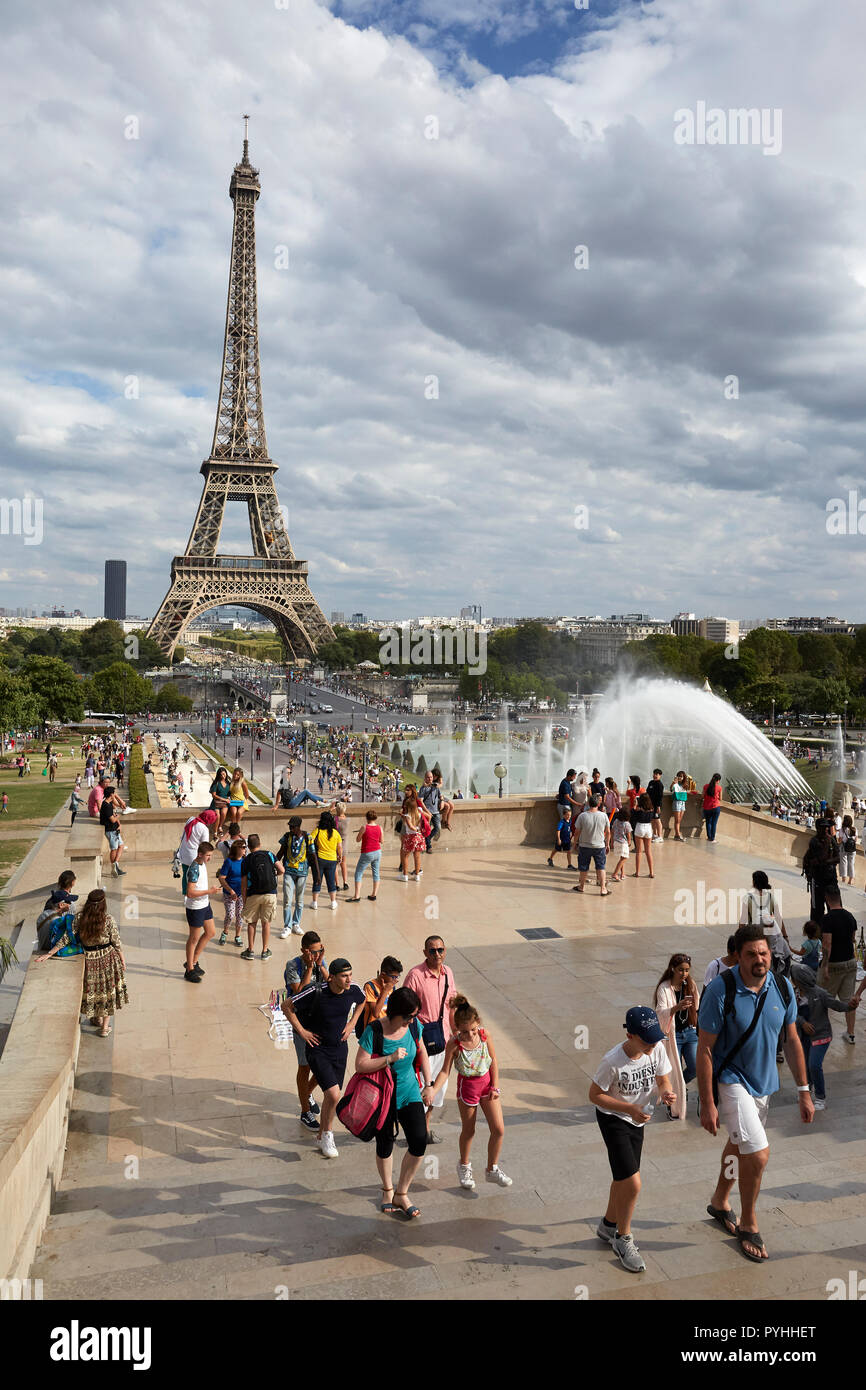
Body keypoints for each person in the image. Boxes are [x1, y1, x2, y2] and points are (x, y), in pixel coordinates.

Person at [697, 924, 811, 1263]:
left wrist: (804, 1090)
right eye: (751, 954)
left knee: (738, 1144)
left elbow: (791, 1039)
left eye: (764, 953)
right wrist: (706, 1103)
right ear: (738, 957)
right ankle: (748, 1221)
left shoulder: (782, 987)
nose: (759, 959)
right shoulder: (721, 991)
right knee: (758, 1153)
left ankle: (720, 1201)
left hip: (764, 1084)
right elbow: (704, 1049)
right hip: (731, 1081)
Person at [589, 1006, 675, 1273]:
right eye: (646, 1039)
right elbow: (594, 1095)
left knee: (623, 1179)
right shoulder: (612, 1061)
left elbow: (663, 1079)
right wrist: (628, 1109)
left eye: (655, 1038)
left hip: (639, 1118)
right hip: (614, 1118)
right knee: (633, 1183)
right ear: (630, 1035)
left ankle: (608, 1224)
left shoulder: (657, 1048)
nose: (653, 1044)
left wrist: (667, 1091)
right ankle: (622, 1238)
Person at [354, 986, 433, 1217]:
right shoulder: (375, 1030)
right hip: (383, 1096)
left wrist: (428, 1085)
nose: (412, 1020)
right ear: (397, 1013)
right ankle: (388, 1189)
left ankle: (402, 1192)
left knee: (419, 1142)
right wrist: (389, 1058)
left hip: (409, 1092)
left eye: (414, 1016)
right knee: (385, 1144)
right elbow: (360, 1065)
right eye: (409, 1016)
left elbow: (422, 1052)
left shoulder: (414, 1027)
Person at [282, 957, 366, 1158]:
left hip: (339, 1048)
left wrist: (352, 1023)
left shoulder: (353, 989)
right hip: (318, 1049)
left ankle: (321, 1135)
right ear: (333, 978)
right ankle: (328, 1135)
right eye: (344, 976)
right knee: (334, 1094)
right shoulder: (316, 992)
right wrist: (302, 1032)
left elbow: (362, 1001)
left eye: (350, 975)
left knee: (332, 1095)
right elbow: (286, 1006)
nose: (349, 980)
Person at [430, 993, 511, 1190]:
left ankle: (492, 1169)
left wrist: (495, 1086)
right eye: (465, 1032)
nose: (470, 1035)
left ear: (478, 1024)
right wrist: (432, 1089)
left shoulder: (484, 1035)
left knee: (499, 1129)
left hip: (487, 1086)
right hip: (467, 1089)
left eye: (473, 1030)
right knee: (469, 1130)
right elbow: (444, 1071)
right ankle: (464, 1166)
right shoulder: (454, 1044)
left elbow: (494, 1062)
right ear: (457, 1029)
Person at [35, 888, 128, 1036]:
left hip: (90, 960)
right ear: (103, 904)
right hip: (108, 958)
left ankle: (96, 1019)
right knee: (107, 992)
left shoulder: (79, 918)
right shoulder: (108, 919)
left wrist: (49, 953)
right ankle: (104, 1027)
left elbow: (65, 938)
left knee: (93, 991)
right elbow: (116, 942)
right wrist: (122, 960)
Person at [405, 936, 458, 1144]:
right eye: (432, 950)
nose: (437, 954)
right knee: (421, 1089)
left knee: (438, 1089)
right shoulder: (415, 975)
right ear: (425, 952)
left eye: (440, 950)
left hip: (443, 1040)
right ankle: (415, 1131)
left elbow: (451, 1005)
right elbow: (406, 1008)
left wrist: (456, 1033)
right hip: (422, 1044)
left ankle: (425, 1127)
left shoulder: (448, 973)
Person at [791, 962, 859, 1110]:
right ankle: (807, 1088)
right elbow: (791, 1012)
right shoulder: (794, 993)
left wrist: (850, 1006)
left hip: (821, 1035)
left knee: (814, 1065)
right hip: (803, 1036)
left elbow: (836, 1004)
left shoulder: (819, 993)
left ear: (798, 980)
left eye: (793, 979)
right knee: (805, 1064)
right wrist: (802, 1023)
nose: (792, 981)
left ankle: (821, 1098)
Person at [284, 930, 329, 1130]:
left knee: (324, 1065)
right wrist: (310, 969)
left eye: (320, 951)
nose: (318, 955)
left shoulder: (321, 962)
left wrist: (320, 966)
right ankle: (305, 1111)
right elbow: (299, 993)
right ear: (304, 950)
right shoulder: (293, 965)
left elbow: (330, 984)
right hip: (302, 1023)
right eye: (314, 951)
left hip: (320, 1022)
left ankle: (307, 1092)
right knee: (305, 1067)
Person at [653, 954, 698, 1121]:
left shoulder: (690, 985)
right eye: (681, 970)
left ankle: (680, 1086)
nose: (684, 974)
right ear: (672, 969)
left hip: (690, 1032)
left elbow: (697, 1005)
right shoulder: (664, 988)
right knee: (673, 1072)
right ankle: (672, 1105)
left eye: (687, 970)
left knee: (695, 1067)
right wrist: (676, 1008)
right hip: (673, 1036)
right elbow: (660, 1013)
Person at [818, 889, 858, 1045]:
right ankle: (851, 1034)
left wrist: (825, 965)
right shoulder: (850, 916)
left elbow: (827, 943)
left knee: (821, 997)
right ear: (840, 899)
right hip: (850, 962)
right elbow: (853, 939)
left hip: (834, 964)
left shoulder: (827, 919)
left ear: (827, 900)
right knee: (849, 1000)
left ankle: (821, 1032)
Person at [183, 841, 221, 982]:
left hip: (205, 904)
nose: (210, 858)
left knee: (211, 932)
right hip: (195, 908)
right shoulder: (194, 869)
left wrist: (209, 890)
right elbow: (190, 892)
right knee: (193, 939)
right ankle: (189, 970)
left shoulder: (202, 864)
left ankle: (193, 961)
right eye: (208, 855)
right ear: (200, 854)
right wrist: (209, 891)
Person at [739, 870, 791, 969]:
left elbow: (742, 921)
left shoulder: (747, 898)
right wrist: (785, 935)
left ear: (754, 882)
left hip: (755, 935)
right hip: (770, 935)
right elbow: (779, 918)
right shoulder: (771, 897)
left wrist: (739, 939)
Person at [276, 816, 317, 936]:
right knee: (287, 900)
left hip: (302, 873)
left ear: (298, 827)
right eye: (289, 826)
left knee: (299, 901)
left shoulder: (307, 837)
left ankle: (296, 923)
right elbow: (281, 852)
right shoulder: (287, 836)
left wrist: (317, 875)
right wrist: (274, 865)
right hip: (288, 871)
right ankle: (287, 926)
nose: (290, 828)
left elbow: (313, 856)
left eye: (292, 826)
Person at [571, 793, 611, 895]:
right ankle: (603, 889)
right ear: (598, 804)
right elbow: (608, 832)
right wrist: (607, 844)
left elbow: (577, 832)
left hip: (585, 846)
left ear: (588, 803)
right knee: (601, 867)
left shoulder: (582, 816)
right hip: (599, 846)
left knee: (584, 868)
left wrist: (574, 844)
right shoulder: (603, 815)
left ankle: (581, 886)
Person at [803, 818, 840, 922]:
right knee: (817, 910)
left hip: (831, 880)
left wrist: (827, 862)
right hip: (817, 880)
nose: (825, 829)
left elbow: (838, 858)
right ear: (818, 828)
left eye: (826, 827)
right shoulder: (814, 842)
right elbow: (816, 858)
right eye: (823, 827)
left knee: (834, 908)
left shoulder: (831, 840)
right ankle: (817, 933)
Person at [356, 956, 404, 1033]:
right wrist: (385, 991)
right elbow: (376, 1013)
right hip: (373, 1031)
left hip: (386, 1028)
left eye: (397, 977)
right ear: (382, 974)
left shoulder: (391, 985)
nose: (396, 980)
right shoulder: (370, 987)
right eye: (393, 977)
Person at [309, 811, 341, 910]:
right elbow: (339, 847)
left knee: (317, 880)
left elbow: (309, 840)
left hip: (319, 859)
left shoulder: (318, 831)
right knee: (331, 881)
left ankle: (314, 902)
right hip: (332, 859)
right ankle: (333, 902)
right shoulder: (335, 833)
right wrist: (340, 856)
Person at [216, 840, 245, 947]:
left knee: (240, 915)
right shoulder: (229, 862)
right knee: (230, 915)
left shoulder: (245, 861)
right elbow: (221, 878)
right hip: (229, 894)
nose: (245, 849)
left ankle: (237, 936)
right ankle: (225, 932)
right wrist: (231, 891)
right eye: (243, 847)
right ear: (237, 849)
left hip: (242, 894)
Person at [351, 809, 383, 901]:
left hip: (367, 852)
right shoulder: (379, 828)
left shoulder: (364, 827)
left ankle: (357, 896)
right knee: (376, 873)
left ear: (367, 818)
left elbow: (358, 839)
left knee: (359, 872)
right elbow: (382, 841)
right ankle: (374, 894)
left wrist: (362, 834)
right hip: (377, 852)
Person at [399, 787, 425, 882]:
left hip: (410, 837)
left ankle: (405, 875)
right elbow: (427, 818)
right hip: (419, 837)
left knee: (406, 856)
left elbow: (410, 826)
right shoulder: (419, 813)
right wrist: (419, 829)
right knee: (417, 856)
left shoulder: (407, 816)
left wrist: (415, 829)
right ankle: (417, 875)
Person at [99, 786, 126, 877]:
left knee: (121, 846)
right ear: (111, 794)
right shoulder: (106, 805)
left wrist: (119, 824)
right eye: (114, 793)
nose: (115, 794)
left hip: (115, 829)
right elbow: (113, 819)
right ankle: (113, 867)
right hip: (110, 831)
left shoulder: (109, 803)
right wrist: (120, 814)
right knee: (114, 849)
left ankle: (115, 864)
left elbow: (114, 815)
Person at [630, 793, 655, 879]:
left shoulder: (638, 809)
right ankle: (651, 872)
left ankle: (637, 872)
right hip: (648, 827)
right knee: (648, 851)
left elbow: (632, 815)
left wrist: (634, 806)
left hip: (640, 827)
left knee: (639, 851)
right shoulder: (651, 809)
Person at [418, 771, 442, 853]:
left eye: (431, 777)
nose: (430, 779)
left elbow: (440, 796)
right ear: (425, 778)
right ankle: (429, 846)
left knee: (437, 828)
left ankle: (426, 839)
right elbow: (420, 801)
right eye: (428, 777)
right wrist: (427, 812)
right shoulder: (423, 788)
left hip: (435, 812)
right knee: (426, 829)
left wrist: (442, 801)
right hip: (427, 812)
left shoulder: (436, 787)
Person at [608, 805, 632, 881]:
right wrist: (629, 842)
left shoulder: (616, 821)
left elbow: (612, 831)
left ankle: (622, 874)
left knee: (621, 858)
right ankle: (615, 874)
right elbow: (628, 834)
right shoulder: (627, 824)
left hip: (616, 841)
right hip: (623, 843)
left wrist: (611, 841)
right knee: (624, 858)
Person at [548, 806, 574, 870]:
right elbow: (558, 830)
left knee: (569, 851)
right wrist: (559, 839)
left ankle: (569, 865)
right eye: (567, 815)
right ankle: (550, 858)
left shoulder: (570, 821)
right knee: (556, 849)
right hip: (561, 839)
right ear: (564, 815)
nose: (569, 816)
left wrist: (571, 833)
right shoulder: (561, 822)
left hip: (567, 840)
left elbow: (569, 828)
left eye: (570, 815)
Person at [333, 800, 350, 890]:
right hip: (344, 843)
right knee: (344, 863)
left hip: (335, 843)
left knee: (335, 864)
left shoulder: (334, 819)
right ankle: (345, 882)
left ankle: (337, 884)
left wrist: (331, 809)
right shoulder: (347, 820)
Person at [701, 772, 723, 842]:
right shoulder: (719, 788)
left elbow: (702, 796)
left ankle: (709, 837)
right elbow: (721, 799)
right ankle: (712, 838)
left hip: (706, 807)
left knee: (708, 822)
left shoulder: (705, 786)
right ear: (718, 780)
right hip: (715, 807)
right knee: (714, 823)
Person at [669, 771, 689, 841]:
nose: (680, 777)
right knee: (677, 820)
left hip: (683, 802)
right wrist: (673, 783)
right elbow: (671, 789)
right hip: (677, 802)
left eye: (681, 776)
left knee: (679, 820)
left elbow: (688, 790)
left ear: (684, 777)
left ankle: (676, 835)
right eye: (679, 776)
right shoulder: (675, 784)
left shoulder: (685, 785)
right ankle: (678, 835)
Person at [839, 814, 858, 885]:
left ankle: (844, 879)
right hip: (852, 849)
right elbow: (855, 840)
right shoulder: (854, 829)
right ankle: (850, 880)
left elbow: (840, 840)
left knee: (843, 863)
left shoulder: (842, 829)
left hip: (844, 848)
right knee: (851, 864)